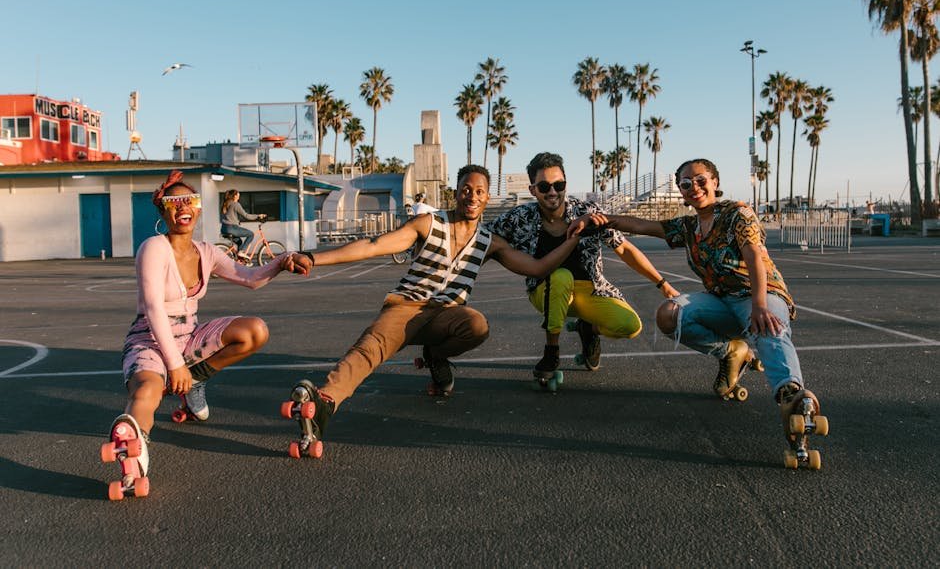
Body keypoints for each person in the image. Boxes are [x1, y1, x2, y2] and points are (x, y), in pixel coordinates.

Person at [284, 165, 594, 452]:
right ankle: (325, 402)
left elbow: (538, 268)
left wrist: (573, 238)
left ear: (487, 198)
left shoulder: (489, 241)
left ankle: (436, 355)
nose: (472, 195)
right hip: (407, 305)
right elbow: (374, 245)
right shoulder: (428, 223)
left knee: (476, 325)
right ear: (456, 193)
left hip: (446, 315)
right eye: (466, 189)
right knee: (370, 348)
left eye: (479, 191)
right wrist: (313, 258)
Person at [570, 158, 826, 458]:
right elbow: (640, 225)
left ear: (715, 182)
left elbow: (754, 256)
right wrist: (596, 219)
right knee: (669, 315)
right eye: (686, 184)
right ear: (681, 191)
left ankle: (791, 395)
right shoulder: (688, 226)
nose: (695, 187)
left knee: (768, 328)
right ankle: (732, 352)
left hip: (759, 293)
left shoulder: (737, 214)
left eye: (701, 180)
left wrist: (758, 305)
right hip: (719, 300)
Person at [106, 170, 311, 488]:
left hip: (190, 335)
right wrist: (174, 364)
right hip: (149, 337)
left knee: (255, 330)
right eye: (174, 201)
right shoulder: (153, 248)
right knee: (147, 391)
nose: (183, 205)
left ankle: (195, 382)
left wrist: (282, 261)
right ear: (163, 210)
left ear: (199, 209)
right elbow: (153, 307)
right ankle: (134, 449)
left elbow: (250, 278)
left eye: (190, 199)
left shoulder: (206, 251)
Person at [486, 152, 677, 383]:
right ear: (533, 190)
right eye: (544, 186)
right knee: (561, 276)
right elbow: (482, 239)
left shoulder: (587, 212)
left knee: (629, 325)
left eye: (559, 184)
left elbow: (624, 249)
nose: (553, 191)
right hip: (545, 291)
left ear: (566, 184)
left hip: (591, 290)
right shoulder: (519, 217)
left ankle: (588, 330)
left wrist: (662, 283)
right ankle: (551, 352)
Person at [221, 188, 266, 257]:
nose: (239, 195)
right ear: (235, 196)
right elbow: (246, 216)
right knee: (251, 234)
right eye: (238, 194)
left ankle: (239, 259)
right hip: (232, 228)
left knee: (239, 242)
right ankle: (241, 252)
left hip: (224, 228)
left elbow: (231, 216)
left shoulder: (227, 204)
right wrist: (258, 216)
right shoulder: (235, 204)